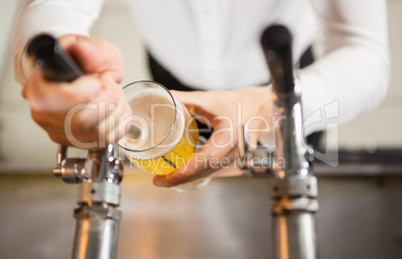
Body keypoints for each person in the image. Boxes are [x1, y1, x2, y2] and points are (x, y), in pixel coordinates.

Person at [12, 0, 390, 187]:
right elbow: (52, 13)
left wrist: (269, 108)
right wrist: (60, 76)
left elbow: (366, 52)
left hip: (286, 85)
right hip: (173, 80)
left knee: (293, 179)